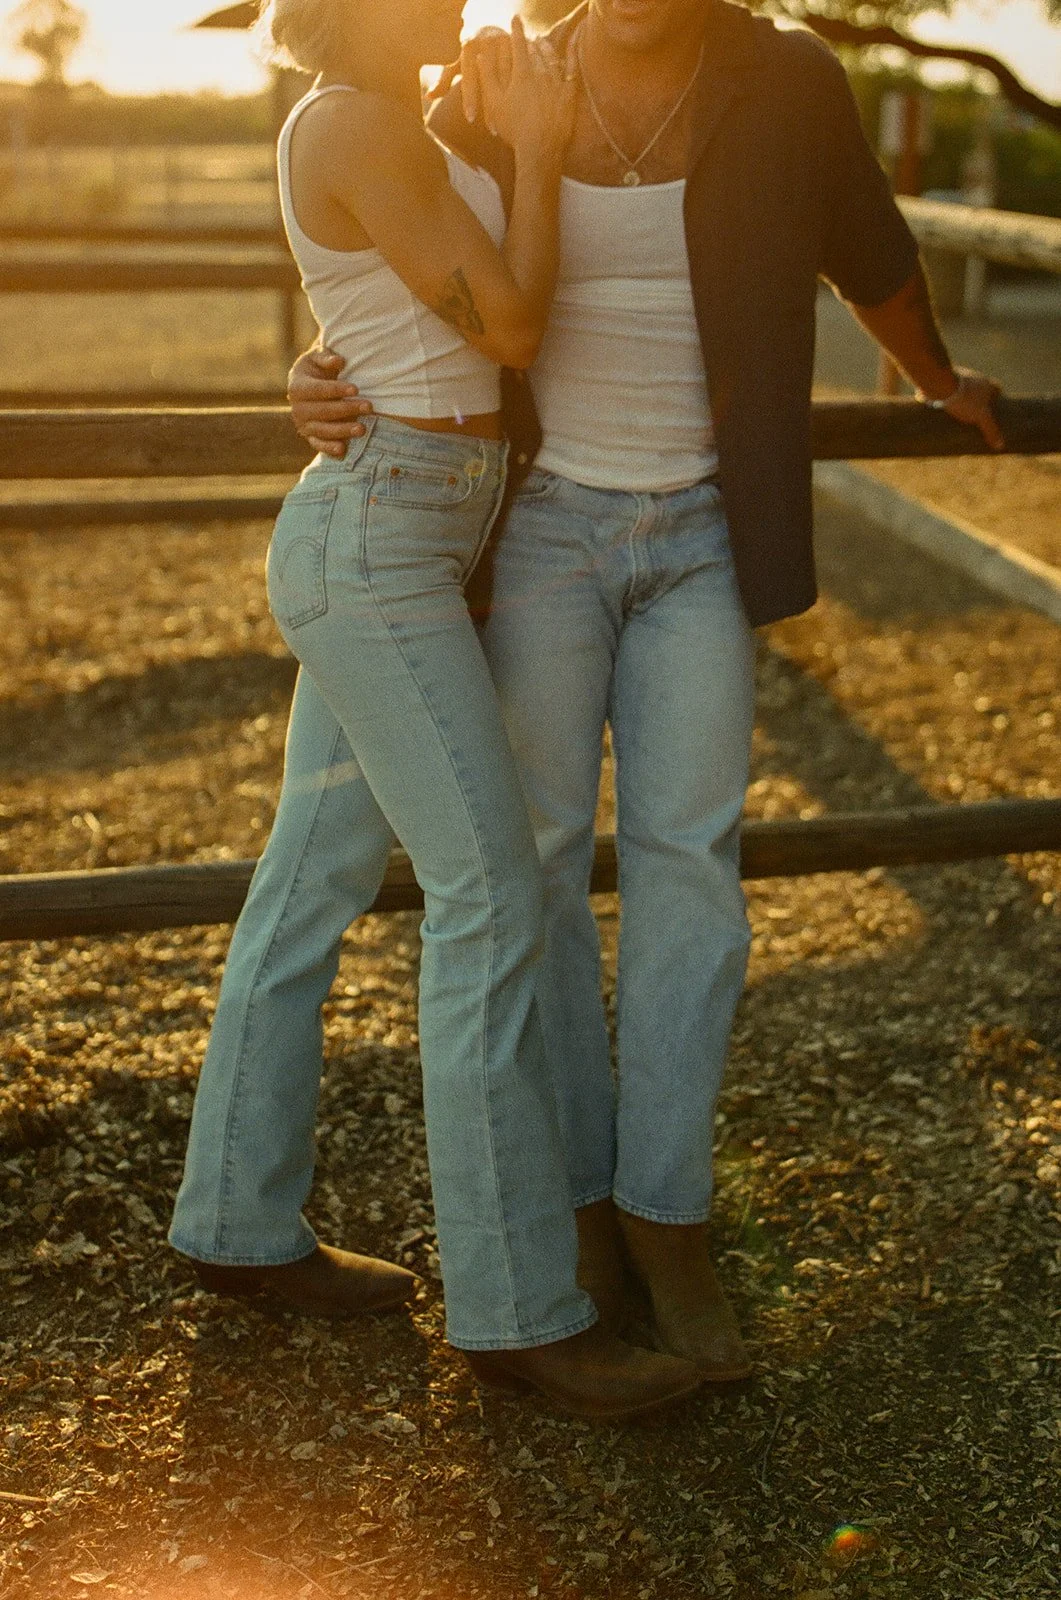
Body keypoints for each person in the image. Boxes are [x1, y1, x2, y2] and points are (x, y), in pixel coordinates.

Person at [284, 0, 1006, 1379]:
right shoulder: (499, 79)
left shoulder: (789, 79)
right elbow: (383, 266)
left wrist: (937, 378)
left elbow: (872, 253)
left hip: (707, 539)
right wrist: (311, 377)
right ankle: (573, 1207)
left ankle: (668, 1213)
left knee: (692, 864)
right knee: (541, 864)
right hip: (541, 534)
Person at [170, 0, 705, 1423]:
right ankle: (519, 1308)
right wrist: (534, 150)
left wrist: (318, 362)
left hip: (418, 530)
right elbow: (515, 321)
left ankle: (235, 1222)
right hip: (385, 540)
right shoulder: (350, 122)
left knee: (310, 881)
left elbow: (393, 309)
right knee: (487, 902)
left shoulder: (396, 121)